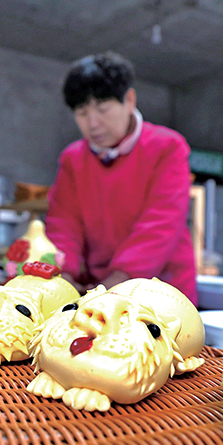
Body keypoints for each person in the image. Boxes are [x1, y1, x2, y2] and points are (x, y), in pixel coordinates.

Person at [45, 52, 198, 304]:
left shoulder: (168, 147)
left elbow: (160, 223)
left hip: (162, 290)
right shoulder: (72, 158)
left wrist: (116, 283)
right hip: (98, 289)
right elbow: (63, 223)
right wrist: (63, 279)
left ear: (129, 100)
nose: (93, 123)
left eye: (103, 109)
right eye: (82, 113)